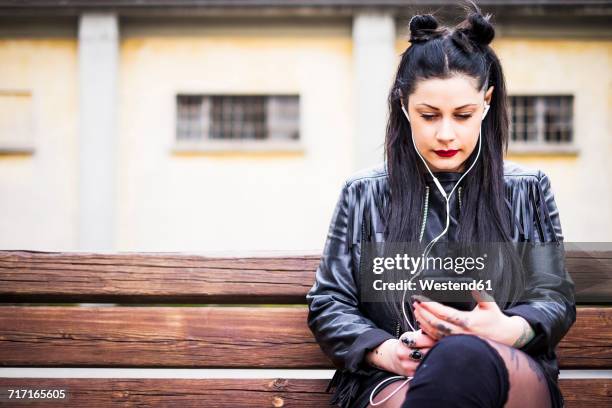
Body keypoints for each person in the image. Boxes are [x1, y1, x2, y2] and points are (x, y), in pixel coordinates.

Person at [305, 2, 576, 408]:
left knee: (462, 359)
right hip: (395, 376)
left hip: (508, 368)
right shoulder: (363, 193)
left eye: (463, 115)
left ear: (486, 102)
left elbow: (552, 297)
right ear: (403, 105)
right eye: (429, 115)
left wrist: (508, 329)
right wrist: (387, 352)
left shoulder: (527, 189)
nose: (446, 134)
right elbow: (330, 302)